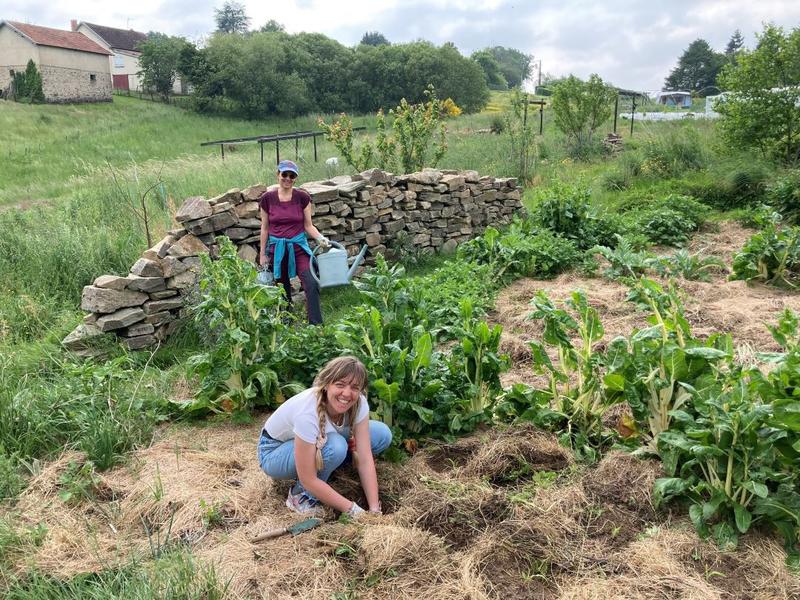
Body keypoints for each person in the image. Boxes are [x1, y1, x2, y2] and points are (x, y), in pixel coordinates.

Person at [257, 356, 392, 517]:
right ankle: (301, 496)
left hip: (318, 442)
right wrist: (355, 511)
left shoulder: (359, 403)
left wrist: (375, 510)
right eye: (340, 384)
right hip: (274, 453)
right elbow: (308, 479)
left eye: (355, 387)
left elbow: (364, 459)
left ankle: (328, 467)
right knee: (336, 446)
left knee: (381, 434)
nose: (347, 393)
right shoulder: (308, 412)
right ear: (327, 384)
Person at [259, 159, 330, 325]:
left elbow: (308, 226)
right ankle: (286, 322)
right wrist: (262, 254)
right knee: (282, 288)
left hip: (298, 248)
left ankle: (316, 325)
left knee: (311, 283)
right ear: (278, 175)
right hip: (277, 249)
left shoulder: (302, 198)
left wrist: (320, 238)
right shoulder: (267, 199)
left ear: (295, 178)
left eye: (292, 176)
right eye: (285, 174)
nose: (288, 178)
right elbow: (265, 228)